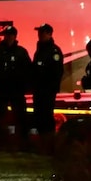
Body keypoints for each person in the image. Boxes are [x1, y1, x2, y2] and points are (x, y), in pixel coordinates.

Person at [0, 25, 32, 151]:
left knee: (21, 117)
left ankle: (24, 143)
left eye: (11, 35)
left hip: (16, 90)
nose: (8, 37)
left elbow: (28, 70)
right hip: (0, 90)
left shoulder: (21, 52)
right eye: (7, 35)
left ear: (15, 36)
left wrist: (25, 86)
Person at [31, 23, 64, 154]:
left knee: (46, 117)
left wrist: (50, 89)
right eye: (39, 32)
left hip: (47, 91)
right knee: (39, 117)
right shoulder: (40, 50)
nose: (39, 35)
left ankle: (49, 146)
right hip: (39, 90)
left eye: (42, 32)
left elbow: (56, 73)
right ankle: (43, 145)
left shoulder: (53, 51)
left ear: (49, 34)